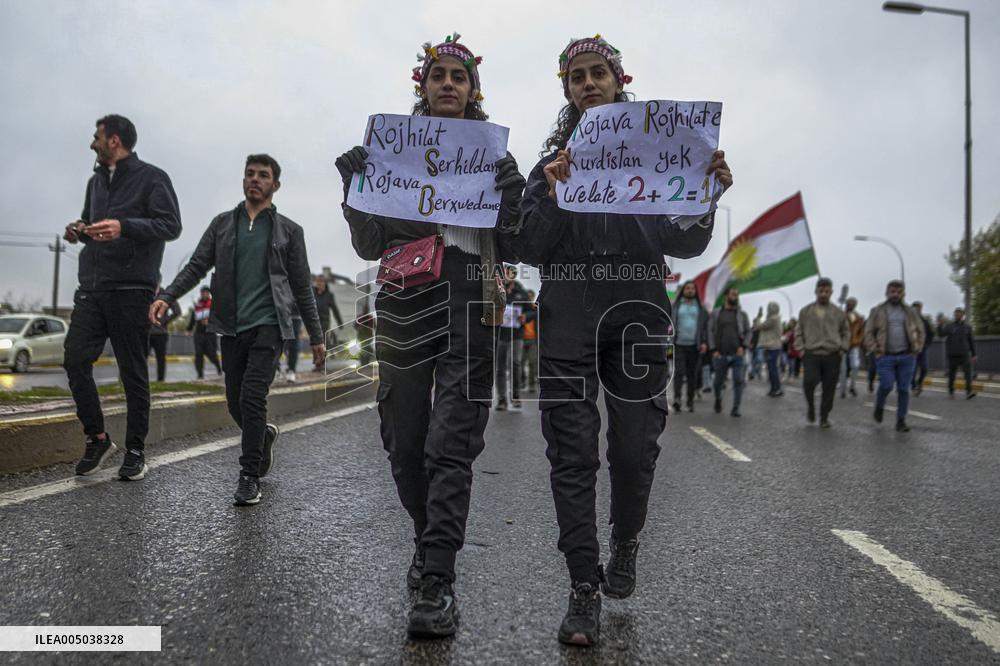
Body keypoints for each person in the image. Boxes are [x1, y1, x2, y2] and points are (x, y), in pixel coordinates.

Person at [515, 34, 731, 647]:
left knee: (635, 452)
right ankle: (583, 586)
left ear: (618, 81)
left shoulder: (659, 158)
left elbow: (685, 242)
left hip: (638, 311)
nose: (588, 83)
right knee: (572, 454)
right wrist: (556, 194)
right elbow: (528, 247)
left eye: (597, 74)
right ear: (567, 90)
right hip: (568, 316)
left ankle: (626, 539)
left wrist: (703, 194)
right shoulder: (550, 166)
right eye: (577, 76)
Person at [336, 33, 525, 639]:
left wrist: (514, 196)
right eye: (438, 74)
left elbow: (520, 244)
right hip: (403, 301)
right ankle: (426, 540)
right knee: (402, 440)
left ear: (473, 92)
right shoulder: (394, 153)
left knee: (451, 444)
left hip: (470, 299)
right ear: (421, 85)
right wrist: (354, 193)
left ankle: (438, 579)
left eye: (458, 77)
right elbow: (368, 245)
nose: (448, 83)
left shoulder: (494, 157)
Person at [151, 154, 325, 504]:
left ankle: (249, 476)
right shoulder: (222, 225)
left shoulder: (289, 231)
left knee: (252, 396)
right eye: (249, 174)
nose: (254, 180)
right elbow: (197, 265)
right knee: (234, 401)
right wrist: (168, 296)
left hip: (270, 325)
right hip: (230, 326)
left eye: (263, 175)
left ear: (275, 185)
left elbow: (302, 286)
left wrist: (317, 337)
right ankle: (262, 437)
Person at [63, 114, 182, 480]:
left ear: (114, 141)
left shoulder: (152, 178)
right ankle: (97, 438)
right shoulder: (95, 182)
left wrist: (124, 226)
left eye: (96, 137)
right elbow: (91, 224)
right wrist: (80, 230)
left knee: (132, 372)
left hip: (133, 288)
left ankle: (135, 450)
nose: (92, 143)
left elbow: (171, 226)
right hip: (93, 287)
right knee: (74, 359)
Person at [863, 280, 924, 432]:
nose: (895, 295)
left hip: (907, 356)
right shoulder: (877, 311)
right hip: (885, 356)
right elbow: (868, 332)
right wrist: (874, 349)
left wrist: (917, 348)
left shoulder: (910, 312)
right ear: (887, 293)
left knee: (904, 389)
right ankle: (879, 405)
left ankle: (901, 421)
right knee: (886, 385)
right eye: (892, 292)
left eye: (898, 292)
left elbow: (921, 330)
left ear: (903, 294)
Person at [794, 278, 849, 428]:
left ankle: (824, 416)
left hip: (832, 354)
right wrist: (801, 350)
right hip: (811, 353)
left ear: (831, 292)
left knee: (829, 388)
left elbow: (845, 332)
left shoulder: (838, 312)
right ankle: (811, 407)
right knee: (809, 382)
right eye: (821, 291)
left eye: (826, 291)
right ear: (816, 292)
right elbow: (798, 332)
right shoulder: (806, 311)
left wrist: (843, 347)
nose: (823, 294)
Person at [708, 287, 751, 417]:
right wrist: (713, 349)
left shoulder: (742, 314)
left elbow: (749, 331)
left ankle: (736, 408)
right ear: (726, 295)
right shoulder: (716, 313)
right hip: (720, 354)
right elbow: (710, 330)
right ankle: (718, 399)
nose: (735, 296)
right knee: (717, 383)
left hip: (737, 354)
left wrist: (743, 347)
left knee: (738, 380)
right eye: (733, 294)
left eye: (737, 295)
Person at [496, 265, 530, 410]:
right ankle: (502, 400)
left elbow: (532, 311)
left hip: (516, 335)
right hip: (500, 335)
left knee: (515, 364)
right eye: (504, 273)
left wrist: (526, 317)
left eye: (509, 273)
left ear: (514, 275)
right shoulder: (497, 290)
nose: (506, 275)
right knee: (500, 368)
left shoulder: (521, 292)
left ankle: (515, 397)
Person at [671, 281, 708, 412]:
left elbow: (704, 328)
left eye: (692, 288)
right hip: (679, 344)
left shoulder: (700, 308)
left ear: (695, 291)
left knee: (692, 374)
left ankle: (690, 401)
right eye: (687, 288)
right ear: (683, 290)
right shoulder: (676, 306)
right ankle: (677, 399)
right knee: (679, 373)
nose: (690, 290)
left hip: (694, 346)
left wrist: (704, 342)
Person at [940, 307, 976, 399]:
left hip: (964, 354)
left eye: (959, 314)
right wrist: (939, 326)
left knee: (968, 374)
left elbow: (971, 341)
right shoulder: (949, 326)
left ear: (963, 315)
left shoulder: (967, 327)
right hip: (953, 355)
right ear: (954, 315)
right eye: (956, 314)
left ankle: (969, 391)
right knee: (952, 375)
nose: (957, 316)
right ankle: (951, 391)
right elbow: (941, 334)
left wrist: (974, 354)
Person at [188, 286, 222, 379]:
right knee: (198, 354)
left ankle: (218, 367)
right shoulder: (197, 305)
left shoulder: (213, 305)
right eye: (203, 292)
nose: (204, 294)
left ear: (209, 294)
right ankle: (200, 374)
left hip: (210, 334)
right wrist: (189, 329)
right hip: (199, 334)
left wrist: (209, 321)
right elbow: (192, 318)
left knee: (212, 354)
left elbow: (219, 318)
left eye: (206, 292)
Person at [148, 286, 180, 382]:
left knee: (160, 358)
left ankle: (160, 380)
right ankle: (140, 382)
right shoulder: (146, 291)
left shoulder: (166, 294)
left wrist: (165, 320)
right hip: (146, 332)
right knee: (139, 358)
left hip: (160, 333)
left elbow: (177, 311)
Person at [754, 301, 784, 397]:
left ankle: (777, 389)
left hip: (773, 347)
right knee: (771, 369)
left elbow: (758, 326)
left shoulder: (773, 319)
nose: (768, 310)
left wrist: (758, 316)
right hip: (772, 347)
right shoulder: (775, 318)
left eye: (769, 308)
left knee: (772, 369)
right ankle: (774, 388)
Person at [839, 297, 865, 398]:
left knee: (855, 366)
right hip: (842, 345)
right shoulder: (840, 315)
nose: (851, 305)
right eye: (850, 303)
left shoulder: (857, 317)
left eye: (853, 304)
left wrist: (858, 340)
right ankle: (843, 390)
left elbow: (861, 331)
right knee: (843, 368)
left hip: (854, 344)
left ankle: (852, 386)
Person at [313, 274, 345, 349]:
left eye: (321, 281)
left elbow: (335, 310)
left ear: (325, 283)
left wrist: (340, 322)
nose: (319, 283)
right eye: (317, 281)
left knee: (322, 338)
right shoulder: (312, 294)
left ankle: (323, 354)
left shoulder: (329, 295)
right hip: (313, 320)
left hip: (324, 320)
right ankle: (319, 354)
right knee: (315, 339)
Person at [910, 301, 934, 396]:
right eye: (915, 308)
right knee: (913, 369)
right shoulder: (908, 321)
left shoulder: (924, 321)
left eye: (918, 308)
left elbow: (931, 334)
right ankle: (913, 385)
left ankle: (919, 383)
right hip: (912, 350)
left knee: (924, 368)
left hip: (922, 349)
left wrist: (927, 344)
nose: (917, 310)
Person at [521, 289, 539, 393]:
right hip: (521, 339)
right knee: (520, 362)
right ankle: (522, 381)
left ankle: (531, 384)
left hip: (532, 340)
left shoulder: (536, 310)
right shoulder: (521, 309)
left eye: (530, 297)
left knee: (532, 362)